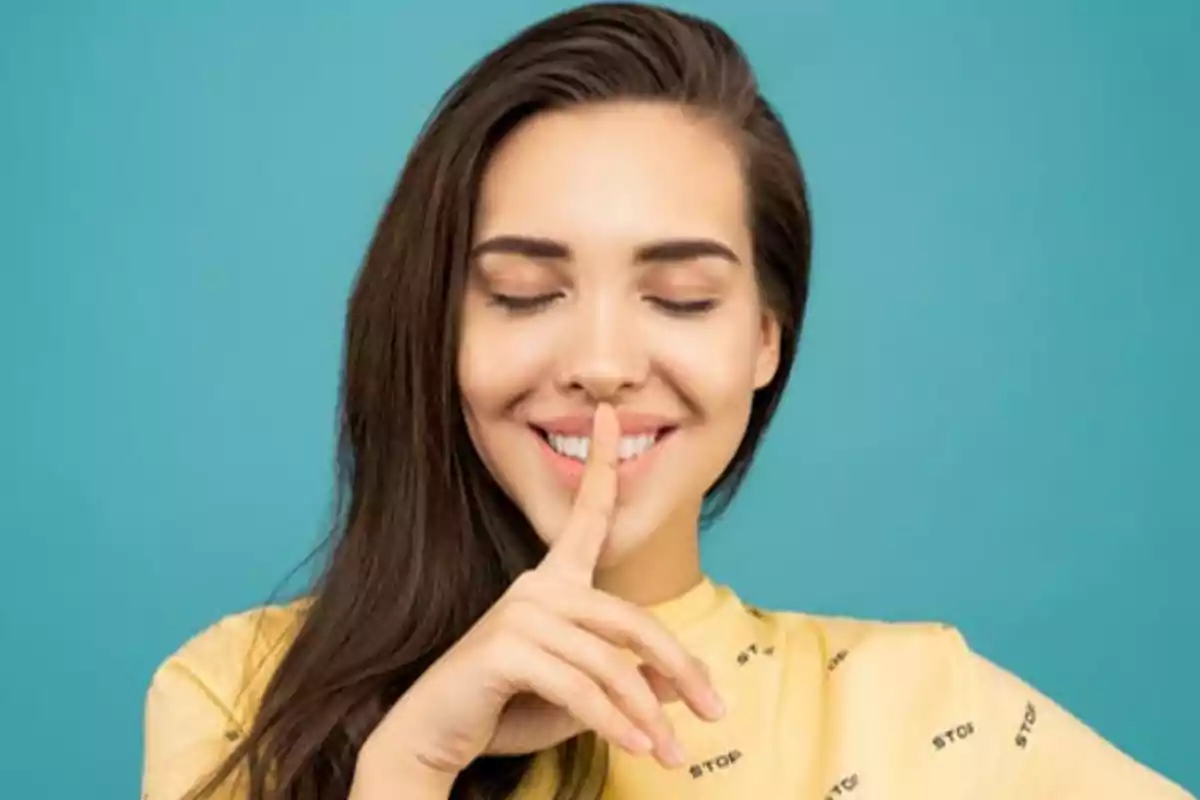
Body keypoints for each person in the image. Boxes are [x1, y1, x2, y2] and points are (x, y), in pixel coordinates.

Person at [141, 3, 1194, 799]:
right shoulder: (239, 697)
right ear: (440, 327)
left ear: (765, 339)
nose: (603, 361)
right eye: (523, 291)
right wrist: (410, 760)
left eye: (681, 297)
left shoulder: (930, 712)